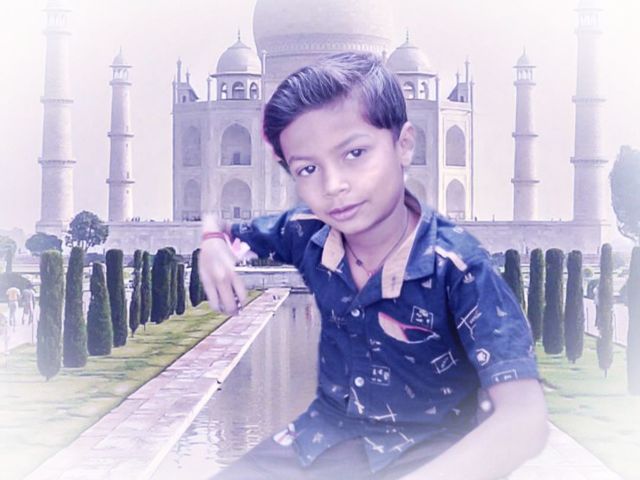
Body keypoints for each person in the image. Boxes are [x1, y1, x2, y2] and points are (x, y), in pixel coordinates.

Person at [199, 52, 548, 480]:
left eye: (355, 153)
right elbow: (226, 231)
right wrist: (213, 245)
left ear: (404, 145)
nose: (333, 185)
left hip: (426, 452)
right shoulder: (308, 232)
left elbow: (524, 421)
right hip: (324, 442)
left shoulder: (458, 270)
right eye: (308, 168)